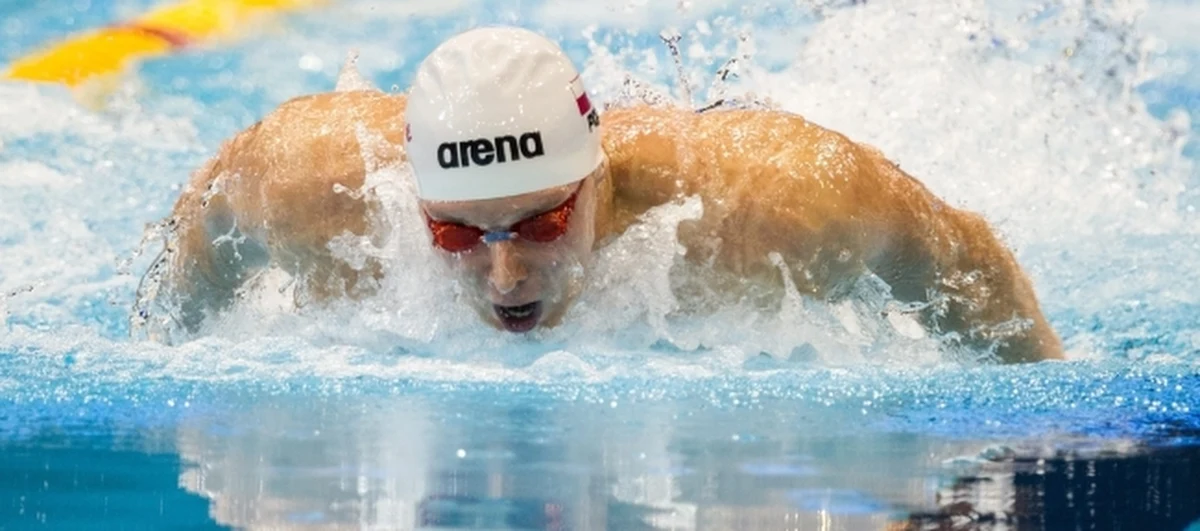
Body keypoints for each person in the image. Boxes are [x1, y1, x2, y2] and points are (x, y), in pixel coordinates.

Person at [153, 26, 1063, 363]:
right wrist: (165, 344)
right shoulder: (308, 183)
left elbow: (950, 247)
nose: (505, 272)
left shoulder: (774, 203)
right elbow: (200, 227)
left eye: (542, 221)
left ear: (595, 178)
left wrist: (1049, 418)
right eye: (456, 236)